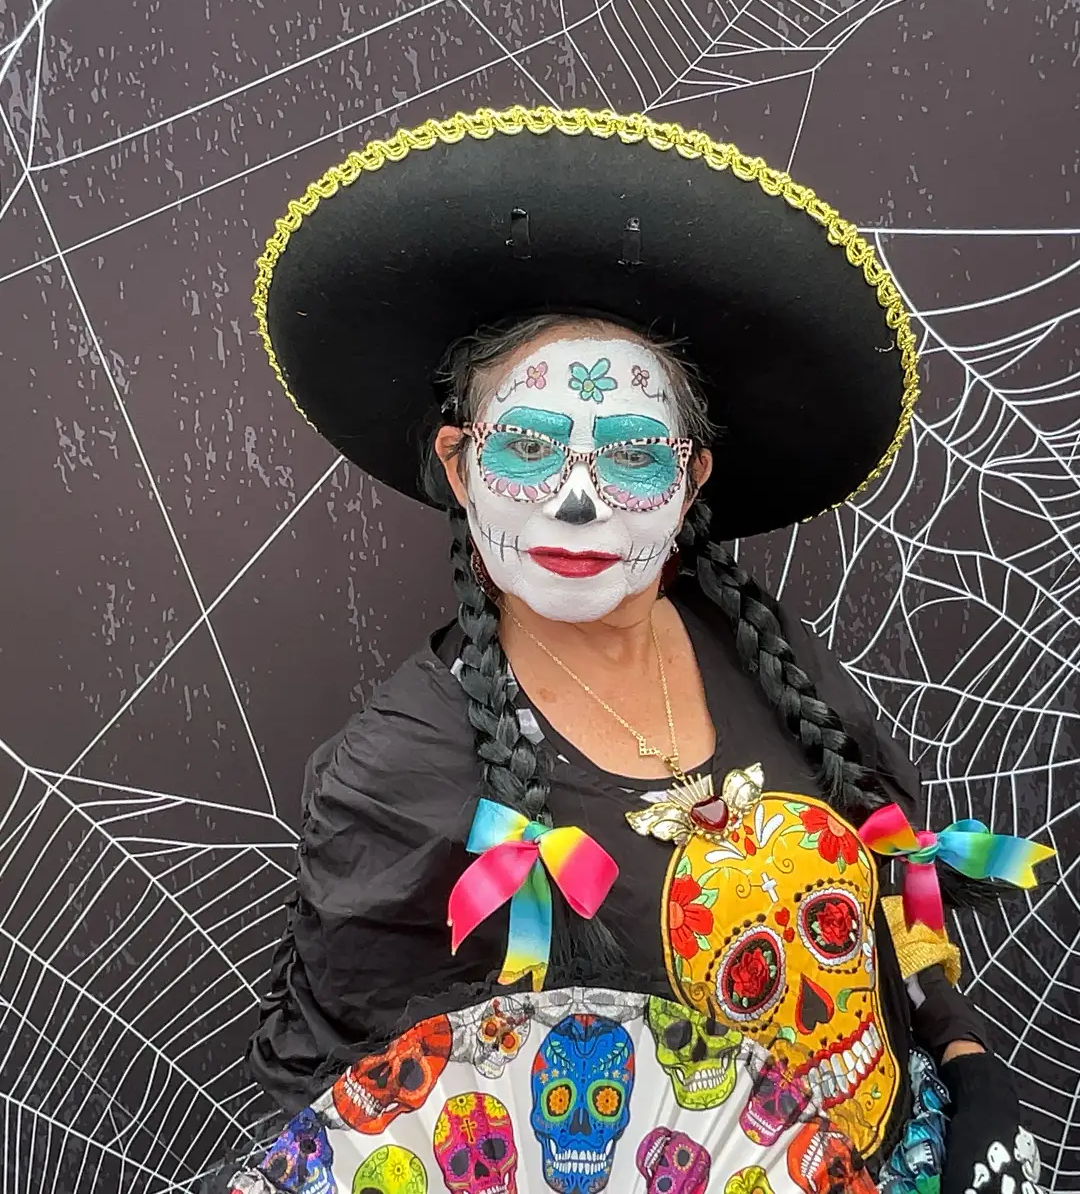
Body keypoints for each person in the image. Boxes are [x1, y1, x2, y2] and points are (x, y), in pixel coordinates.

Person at [245, 106, 1051, 1194]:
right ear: (458, 462)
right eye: (528, 448)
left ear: (693, 481)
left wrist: (965, 1063)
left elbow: (892, 895)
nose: (578, 504)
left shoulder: (767, 656)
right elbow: (373, 1134)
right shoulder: (404, 778)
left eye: (630, 455)